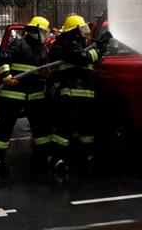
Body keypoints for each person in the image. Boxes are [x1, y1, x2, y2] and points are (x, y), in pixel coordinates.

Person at [0, 16, 51, 176]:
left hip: (34, 97)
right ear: (36, 31)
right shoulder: (19, 43)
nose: (46, 35)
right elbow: (3, 60)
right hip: (12, 96)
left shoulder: (43, 50)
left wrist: (46, 73)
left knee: (41, 130)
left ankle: (42, 158)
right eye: (44, 32)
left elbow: (45, 70)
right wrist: (6, 76)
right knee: (4, 129)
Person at [47, 15, 102, 177]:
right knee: (64, 128)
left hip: (85, 95)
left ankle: (86, 157)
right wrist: (97, 51)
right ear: (74, 31)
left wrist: (98, 46)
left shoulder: (80, 45)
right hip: (68, 95)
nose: (85, 32)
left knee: (86, 129)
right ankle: (56, 159)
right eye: (82, 29)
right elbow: (82, 58)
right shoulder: (63, 46)